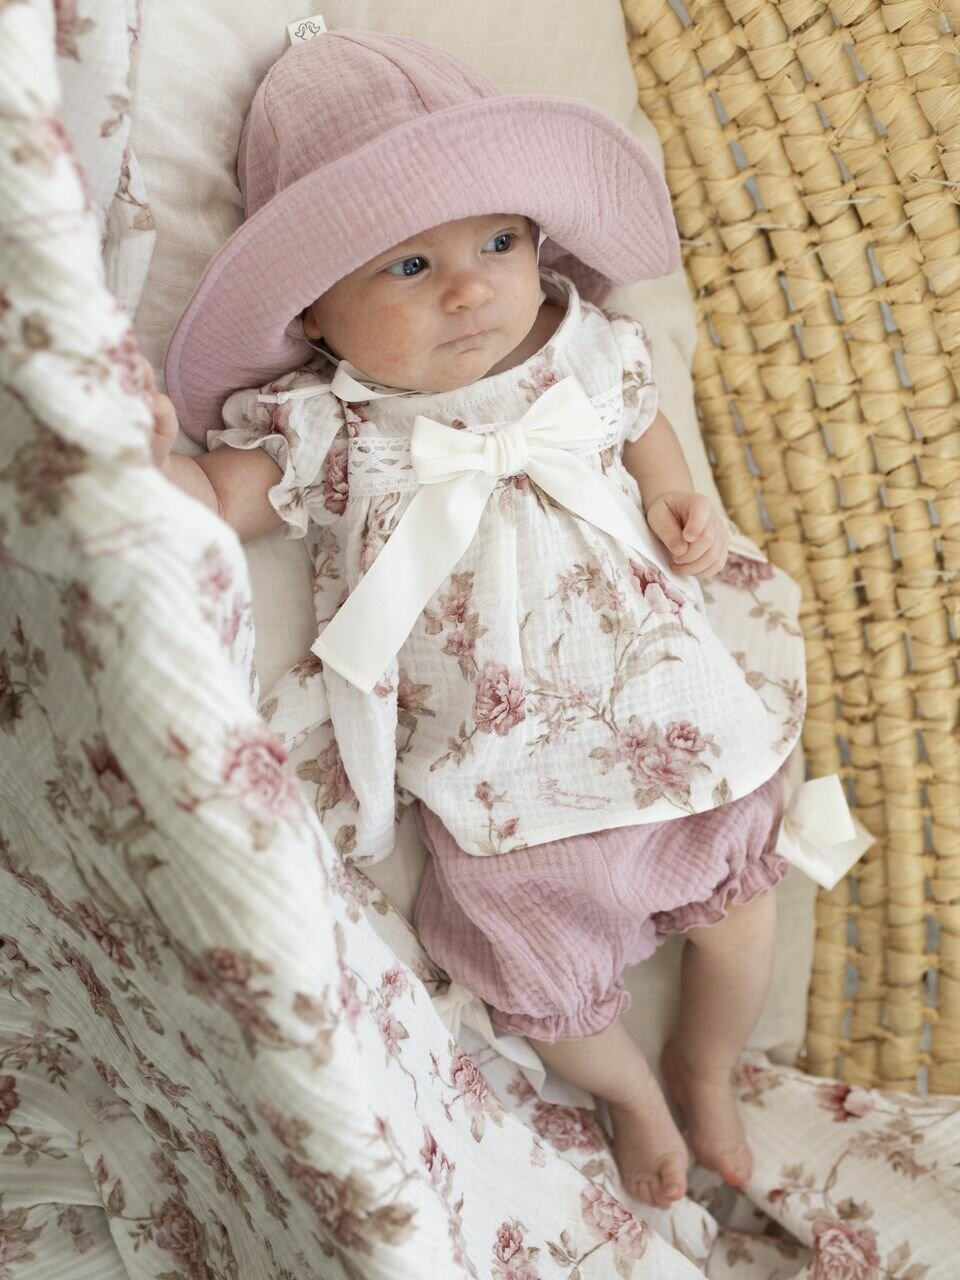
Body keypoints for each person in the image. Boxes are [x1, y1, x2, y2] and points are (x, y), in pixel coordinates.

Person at [152, 29, 807, 1210]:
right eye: (409, 266)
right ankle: (631, 1091)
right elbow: (219, 496)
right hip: (505, 786)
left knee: (745, 913)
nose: (469, 288)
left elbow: (644, 416)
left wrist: (674, 495)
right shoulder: (331, 422)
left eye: (498, 242)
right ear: (315, 317)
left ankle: (705, 1062)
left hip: (679, 729)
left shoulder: (582, 348)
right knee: (538, 987)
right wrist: (150, 461)